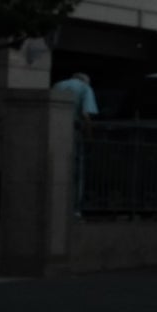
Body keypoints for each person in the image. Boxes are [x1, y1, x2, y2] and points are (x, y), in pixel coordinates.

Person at [49, 70, 97, 215]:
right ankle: (75, 209)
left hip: (54, 131)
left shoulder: (58, 85)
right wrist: (89, 135)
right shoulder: (85, 88)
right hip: (73, 132)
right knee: (76, 171)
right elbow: (85, 113)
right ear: (85, 81)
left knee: (55, 169)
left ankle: (54, 205)